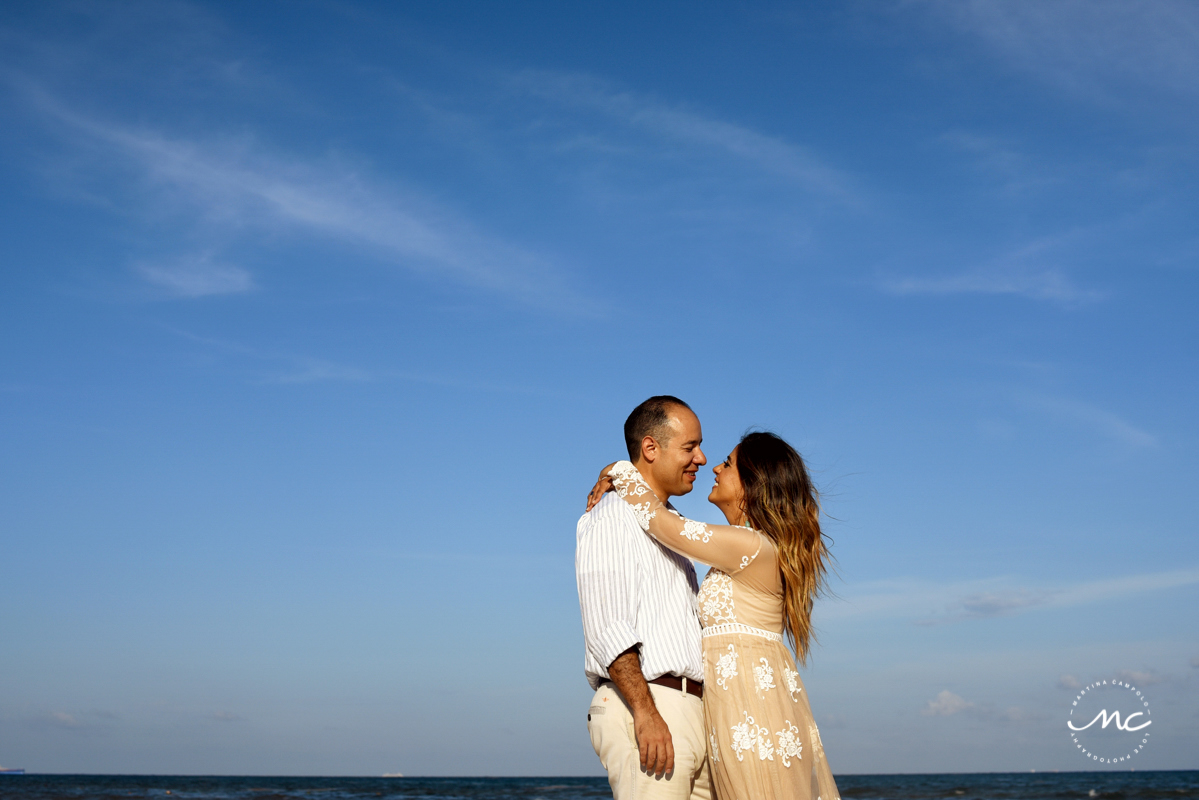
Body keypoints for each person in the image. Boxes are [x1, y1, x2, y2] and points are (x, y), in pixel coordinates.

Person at [588, 431, 841, 800]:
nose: (716, 468)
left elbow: (665, 526)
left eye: (729, 463)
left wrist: (622, 470)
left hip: (750, 703)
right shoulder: (747, 546)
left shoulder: (751, 546)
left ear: (753, 484)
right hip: (733, 702)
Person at [575, 396, 713, 800]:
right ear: (651, 448)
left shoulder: (671, 526)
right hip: (652, 706)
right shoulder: (612, 515)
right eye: (690, 447)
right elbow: (608, 624)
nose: (701, 459)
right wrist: (646, 711)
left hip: (691, 712)